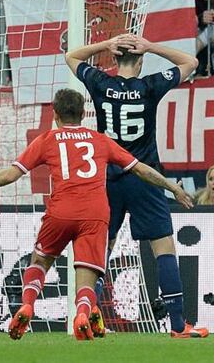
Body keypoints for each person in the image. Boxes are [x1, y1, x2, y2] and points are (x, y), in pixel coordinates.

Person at [0, 89, 194, 341]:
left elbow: (12, 174)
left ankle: (27, 304)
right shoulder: (100, 140)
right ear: (83, 114)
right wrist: (171, 187)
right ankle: (82, 313)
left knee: (39, 262)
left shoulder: (47, 139)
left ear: (55, 113)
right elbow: (141, 169)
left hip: (61, 211)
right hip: (95, 215)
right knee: (87, 278)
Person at [65, 33, 208, 338]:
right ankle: (178, 325)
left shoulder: (101, 83)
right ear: (140, 60)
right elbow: (191, 61)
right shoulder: (149, 86)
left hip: (108, 178)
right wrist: (152, 45)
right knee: (164, 249)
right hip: (145, 177)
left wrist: (105, 45)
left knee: (102, 248)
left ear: (115, 59)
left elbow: (72, 57)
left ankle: (88, 309)